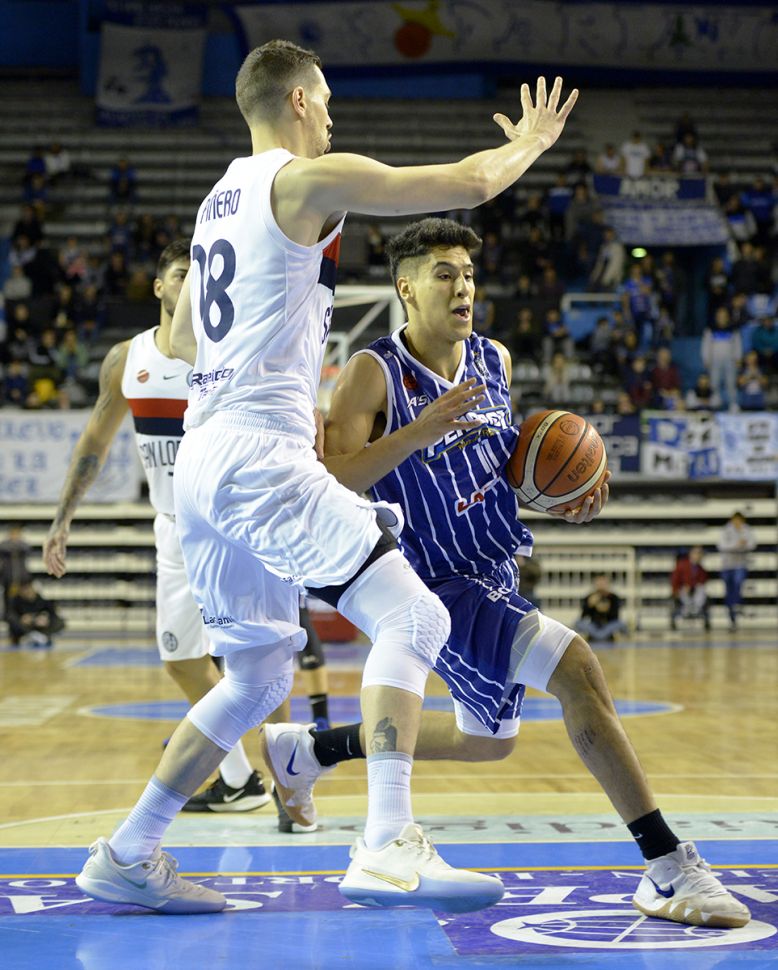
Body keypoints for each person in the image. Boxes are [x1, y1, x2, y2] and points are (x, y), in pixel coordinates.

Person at [74, 41, 580, 916]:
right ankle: (386, 843)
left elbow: (187, 337)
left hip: (203, 454)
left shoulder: (215, 202)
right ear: (301, 100)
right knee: (415, 615)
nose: (335, 118)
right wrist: (531, 141)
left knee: (258, 679)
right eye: (329, 101)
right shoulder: (302, 180)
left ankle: (128, 850)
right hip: (260, 456)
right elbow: (468, 183)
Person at [261, 217, 749, 930]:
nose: (463, 287)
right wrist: (420, 430)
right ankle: (667, 864)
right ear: (406, 288)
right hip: (434, 581)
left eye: (467, 274)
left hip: (497, 569)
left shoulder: (495, 360)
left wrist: (559, 495)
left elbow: (502, 466)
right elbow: (334, 477)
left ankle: (309, 750)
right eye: (444, 274)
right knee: (579, 670)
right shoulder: (375, 371)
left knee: (489, 741)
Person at [42, 241, 270, 815]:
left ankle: (274, 775)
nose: (190, 283)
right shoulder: (128, 358)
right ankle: (243, 779)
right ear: (160, 287)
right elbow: (94, 442)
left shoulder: (222, 354)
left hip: (228, 523)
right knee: (181, 659)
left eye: (198, 275)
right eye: (180, 274)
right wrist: (62, 519)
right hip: (172, 528)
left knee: (257, 658)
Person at [717, 512, 757, 631]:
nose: (738, 523)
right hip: (727, 565)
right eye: (736, 520)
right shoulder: (725, 530)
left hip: (740, 564)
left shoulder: (747, 529)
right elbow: (721, 546)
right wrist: (737, 545)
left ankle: (736, 605)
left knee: (738, 584)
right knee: (729, 591)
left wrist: (744, 544)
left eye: (740, 520)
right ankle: (732, 616)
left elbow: (752, 544)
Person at [6, 575, 64, 647]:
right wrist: (22, 618)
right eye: (24, 589)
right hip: (25, 628)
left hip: (40, 626)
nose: (27, 591)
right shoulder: (16, 600)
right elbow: (11, 614)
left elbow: (53, 613)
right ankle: (35, 636)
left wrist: (45, 619)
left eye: (28, 588)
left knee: (59, 621)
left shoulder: (41, 599)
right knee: (12, 619)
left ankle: (42, 636)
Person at [576, 573, 628, 643]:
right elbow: (583, 616)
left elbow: (616, 617)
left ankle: (598, 636)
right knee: (578, 623)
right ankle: (600, 636)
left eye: (603, 583)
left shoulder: (613, 597)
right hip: (594, 625)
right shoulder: (590, 597)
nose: (601, 586)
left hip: (608, 625)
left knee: (621, 623)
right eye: (599, 583)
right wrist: (589, 605)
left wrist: (607, 609)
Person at [670, 548, 710, 631]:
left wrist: (692, 586)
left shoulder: (700, 568)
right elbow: (674, 580)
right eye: (696, 553)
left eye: (700, 554)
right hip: (683, 591)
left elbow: (702, 581)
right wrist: (677, 591)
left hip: (695, 593)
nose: (698, 556)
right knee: (684, 591)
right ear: (691, 554)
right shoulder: (682, 565)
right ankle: (688, 608)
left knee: (701, 589)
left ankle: (695, 608)